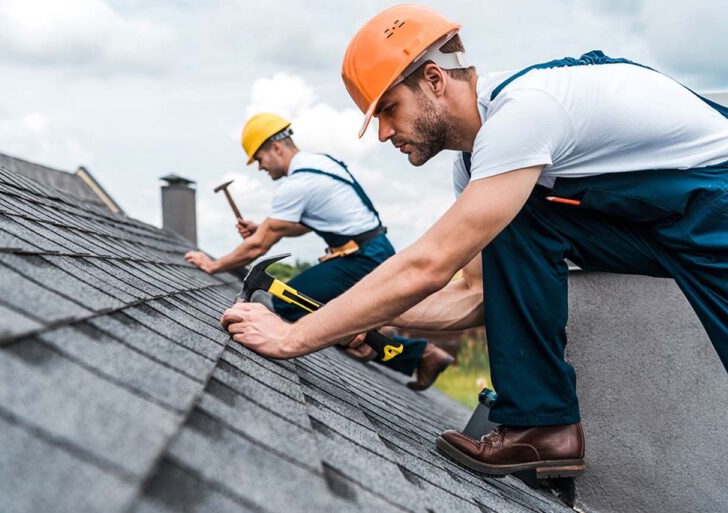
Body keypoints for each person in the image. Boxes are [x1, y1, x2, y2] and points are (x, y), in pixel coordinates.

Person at [221, 4, 728, 478]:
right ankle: (543, 424)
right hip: (662, 222)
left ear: (435, 80)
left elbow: (429, 265)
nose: (382, 134)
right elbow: (476, 294)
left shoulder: (524, 114)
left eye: (389, 109)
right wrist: (357, 318)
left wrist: (296, 336)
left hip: (715, 203)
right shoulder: (481, 169)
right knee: (521, 219)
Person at [185, 112, 454, 389]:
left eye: (260, 159)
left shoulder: (297, 183)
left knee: (287, 302)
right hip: (371, 250)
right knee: (327, 309)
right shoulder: (320, 164)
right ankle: (396, 345)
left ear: (276, 148)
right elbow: (301, 225)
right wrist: (262, 228)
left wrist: (213, 265)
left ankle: (405, 349)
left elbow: (259, 245)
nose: (260, 168)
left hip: (361, 258)